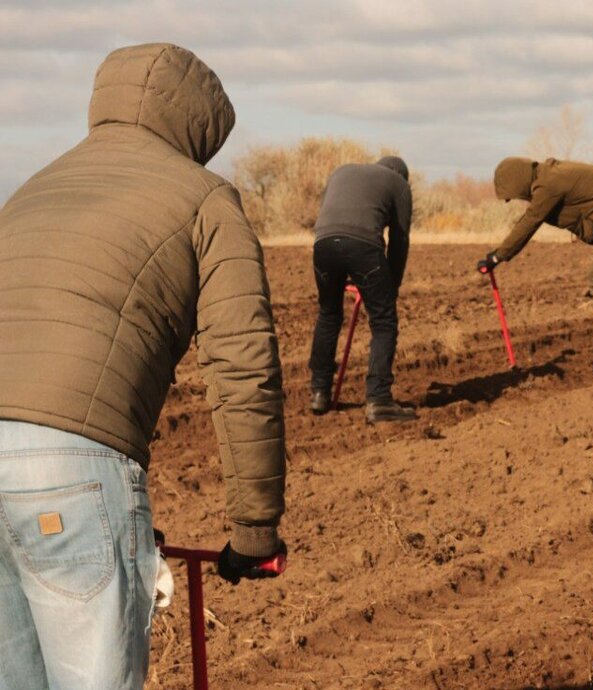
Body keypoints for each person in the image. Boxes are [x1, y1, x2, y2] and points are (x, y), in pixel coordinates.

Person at [0, 43, 287, 689]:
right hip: (68, 469)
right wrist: (255, 527)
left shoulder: (33, 189)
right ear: (199, 126)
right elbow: (243, 367)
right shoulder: (204, 196)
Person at [478, 158, 593, 374]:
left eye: (516, 195)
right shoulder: (548, 178)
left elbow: (529, 221)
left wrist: (498, 256)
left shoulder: (549, 183)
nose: (519, 199)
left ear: (519, 182)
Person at [308, 156, 415, 423]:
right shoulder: (399, 185)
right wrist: (392, 285)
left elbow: (328, 213)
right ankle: (379, 400)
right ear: (401, 175)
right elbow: (399, 240)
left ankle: (319, 392)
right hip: (365, 247)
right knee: (383, 321)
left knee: (329, 314)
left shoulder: (342, 170)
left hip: (323, 245)